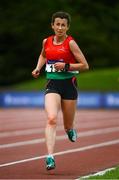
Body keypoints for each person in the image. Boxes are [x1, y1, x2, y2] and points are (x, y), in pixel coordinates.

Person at [32, 11, 89, 170]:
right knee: (51, 118)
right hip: (53, 83)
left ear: (67, 27)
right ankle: (50, 157)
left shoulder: (71, 43)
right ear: (52, 25)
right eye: (57, 24)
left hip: (69, 84)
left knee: (67, 124)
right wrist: (38, 68)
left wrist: (66, 66)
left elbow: (85, 65)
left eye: (63, 25)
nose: (60, 27)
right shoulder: (46, 41)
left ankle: (70, 129)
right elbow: (43, 55)